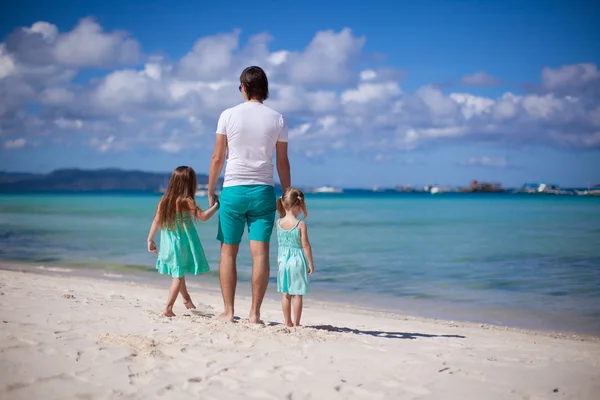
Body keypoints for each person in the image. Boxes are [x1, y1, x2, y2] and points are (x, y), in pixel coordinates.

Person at [207, 66, 291, 324]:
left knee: (228, 253)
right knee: (260, 254)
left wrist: (210, 190)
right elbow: (283, 162)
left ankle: (229, 312)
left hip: (233, 189)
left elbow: (218, 158)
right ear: (264, 89)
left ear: (243, 87)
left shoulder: (228, 115)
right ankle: (255, 314)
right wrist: (286, 195)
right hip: (263, 190)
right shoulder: (277, 118)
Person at [147, 166, 220, 317]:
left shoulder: (164, 200)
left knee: (178, 273)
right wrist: (216, 206)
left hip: (168, 243)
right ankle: (168, 308)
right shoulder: (187, 201)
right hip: (181, 244)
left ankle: (187, 301)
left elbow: (156, 221)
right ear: (190, 183)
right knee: (178, 276)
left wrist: (150, 239)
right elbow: (204, 217)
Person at [276, 188, 315, 327]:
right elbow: (305, 245)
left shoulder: (278, 223)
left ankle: (287, 322)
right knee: (297, 293)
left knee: (285, 293)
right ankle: (297, 323)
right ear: (298, 205)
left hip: (282, 261)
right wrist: (310, 262)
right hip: (297, 261)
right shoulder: (300, 224)